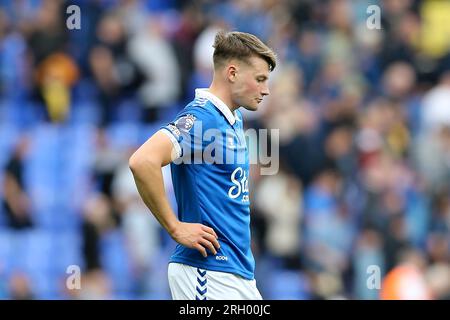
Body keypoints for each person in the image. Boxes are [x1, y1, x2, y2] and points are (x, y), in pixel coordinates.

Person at [129, 30, 276, 300]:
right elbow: (142, 161)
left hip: (236, 273)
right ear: (232, 73)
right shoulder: (201, 118)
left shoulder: (233, 119)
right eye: (260, 79)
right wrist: (175, 226)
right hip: (207, 271)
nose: (266, 90)